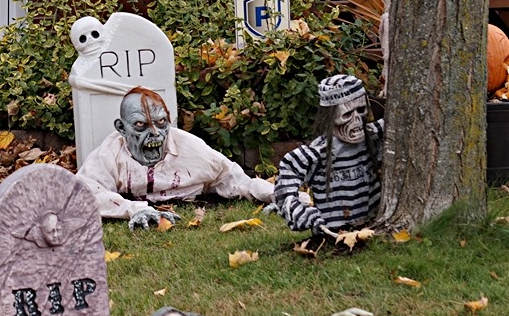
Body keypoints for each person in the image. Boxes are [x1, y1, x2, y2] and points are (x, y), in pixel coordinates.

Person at [76, 86, 275, 229]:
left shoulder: (191, 148)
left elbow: (238, 181)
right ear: (122, 128)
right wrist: (133, 209)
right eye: (140, 125)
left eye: (161, 122)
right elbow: (83, 193)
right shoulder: (110, 152)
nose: (155, 133)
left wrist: (279, 196)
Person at [274, 75, 384, 236]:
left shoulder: (373, 137)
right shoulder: (317, 153)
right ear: (331, 117)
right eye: (347, 114)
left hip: (372, 225)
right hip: (334, 233)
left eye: (361, 110)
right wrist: (298, 211)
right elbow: (286, 179)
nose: (357, 120)